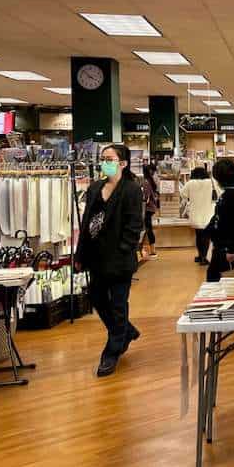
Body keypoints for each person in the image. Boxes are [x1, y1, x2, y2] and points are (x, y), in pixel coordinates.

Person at [75, 144, 143, 378]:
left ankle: (112, 352)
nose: (105, 162)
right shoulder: (95, 188)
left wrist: (125, 248)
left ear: (122, 163)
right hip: (96, 257)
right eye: (103, 158)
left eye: (110, 158)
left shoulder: (131, 190)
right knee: (96, 298)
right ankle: (125, 331)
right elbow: (86, 223)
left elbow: (135, 225)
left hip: (120, 259)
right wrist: (80, 254)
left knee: (118, 302)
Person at [206, 158, 234, 282]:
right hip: (227, 246)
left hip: (227, 249)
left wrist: (231, 249)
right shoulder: (233, 194)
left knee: (221, 281)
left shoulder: (230, 196)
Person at [180, 166, 217, 266]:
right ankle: (204, 258)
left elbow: (183, 195)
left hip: (195, 214)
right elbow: (219, 193)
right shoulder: (211, 182)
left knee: (198, 236)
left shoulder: (190, 183)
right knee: (206, 237)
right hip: (208, 214)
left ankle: (200, 255)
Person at [141, 163, 159, 258]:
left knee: (148, 229)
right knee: (148, 228)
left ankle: (153, 250)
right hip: (150, 208)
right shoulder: (150, 181)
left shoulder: (145, 182)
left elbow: (145, 198)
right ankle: (151, 249)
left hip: (147, 209)